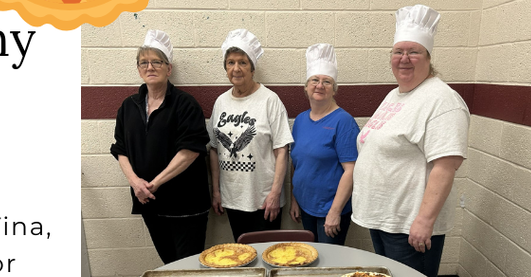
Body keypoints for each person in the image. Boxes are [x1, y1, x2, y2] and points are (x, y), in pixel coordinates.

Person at [352, 5, 469, 277]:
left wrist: (424, 221)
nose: (404, 59)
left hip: (410, 229)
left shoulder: (442, 100)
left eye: (413, 52)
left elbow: (446, 166)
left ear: (428, 57)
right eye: (398, 52)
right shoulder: (395, 95)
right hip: (385, 220)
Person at [110, 30, 211, 265]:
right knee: (168, 264)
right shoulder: (129, 106)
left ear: (169, 68)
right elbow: (120, 149)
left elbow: (190, 151)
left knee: (187, 266)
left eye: (157, 62)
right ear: (138, 69)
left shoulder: (185, 104)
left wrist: (153, 184)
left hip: (185, 204)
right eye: (144, 62)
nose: (150, 67)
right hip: (149, 202)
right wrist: (136, 183)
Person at [208, 29, 293, 240]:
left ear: (252, 68)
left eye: (242, 62)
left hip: (264, 201)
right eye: (230, 63)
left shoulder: (270, 100)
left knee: (268, 257)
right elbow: (214, 149)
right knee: (241, 255)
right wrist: (217, 191)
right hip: (232, 198)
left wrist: (275, 194)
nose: (236, 68)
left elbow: (282, 150)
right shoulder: (221, 102)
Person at [289, 43, 358, 245]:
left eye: (327, 81)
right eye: (315, 80)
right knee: (311, 257)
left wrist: (335, 212)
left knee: (328, 262)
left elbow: (351, 170)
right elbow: (296, 163)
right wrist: (294, 199)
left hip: (331, 209)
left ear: (334, 89)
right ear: (306, 87)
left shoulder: (343, 121)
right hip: (305, 205)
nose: (319, 85)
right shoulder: (300, 120)